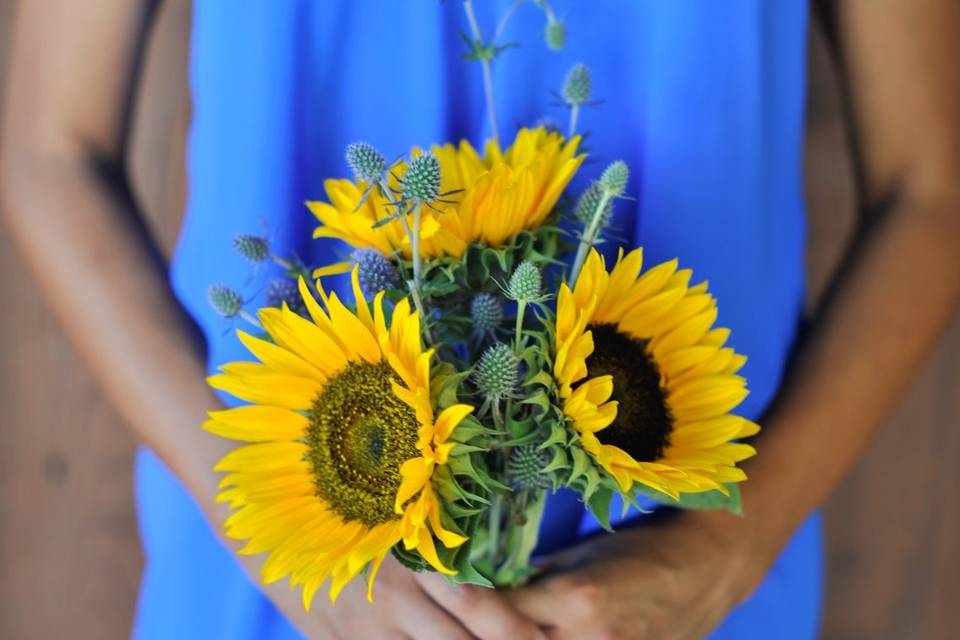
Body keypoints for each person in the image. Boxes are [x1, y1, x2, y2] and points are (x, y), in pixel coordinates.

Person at [2, 1, 958, 638]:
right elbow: (49, 151)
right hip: (280, 563)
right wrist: (275, 540)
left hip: (695, 575)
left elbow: (933, 192)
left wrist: (729, 547)